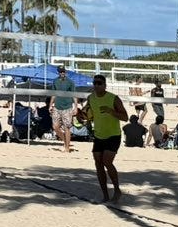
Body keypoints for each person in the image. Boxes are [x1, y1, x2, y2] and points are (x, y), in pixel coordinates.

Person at [83, 74, 129, 204]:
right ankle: (105, 195)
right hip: (99, 135)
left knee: (107, 161)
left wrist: (111, 111)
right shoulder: (91, 98)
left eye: (99, 83)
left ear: (105, 85)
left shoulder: (113, 99)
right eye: (95, 83)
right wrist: (83, 116)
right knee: (98, 164)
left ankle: (117, 190)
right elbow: (88, 114)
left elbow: (125, 117)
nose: (96, 85)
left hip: (113, 135)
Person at [49, 66, 78, 152]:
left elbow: (74, 95)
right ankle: (66, 141)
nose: (62, 73)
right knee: (55, 127)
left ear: (65, 72)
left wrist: (76, 107)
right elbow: (53, 94)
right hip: (57, 106)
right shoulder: (55, 81)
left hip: (67, 107)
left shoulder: (70, 82)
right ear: (58, 72)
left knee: (67, 127)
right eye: (61, 72)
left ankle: (67, 148)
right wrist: (50, 105)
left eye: (63, 71)